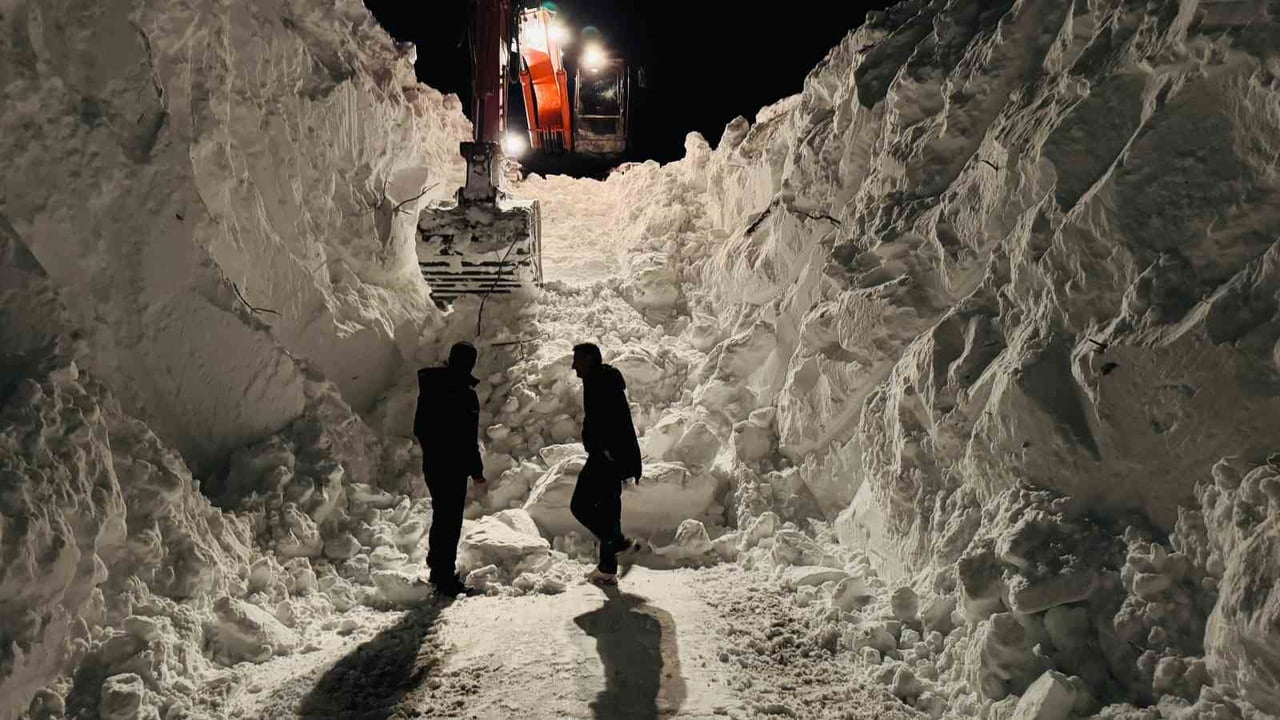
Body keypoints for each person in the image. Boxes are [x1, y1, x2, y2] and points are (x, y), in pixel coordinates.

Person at [414, 341, 486, 596]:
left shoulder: (431, 387)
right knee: (449, 520)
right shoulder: (465, 394)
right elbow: (467, 438)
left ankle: (438, 568)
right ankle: (443, 576)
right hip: (453, 466)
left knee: (442, 516)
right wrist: (476, 472)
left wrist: (435, 451)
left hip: (434, 464)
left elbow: (419, 428)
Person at [570, 342, 645, 585]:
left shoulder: (599, 382)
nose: (573, 366)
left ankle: (620, 544)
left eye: (577, 359)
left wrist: (606, 451)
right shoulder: (602, 379)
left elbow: (613, 422)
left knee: (580, 505)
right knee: (607, 509)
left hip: (607, 458)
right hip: (613, 456)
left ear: (590, 360)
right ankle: (607, 568)